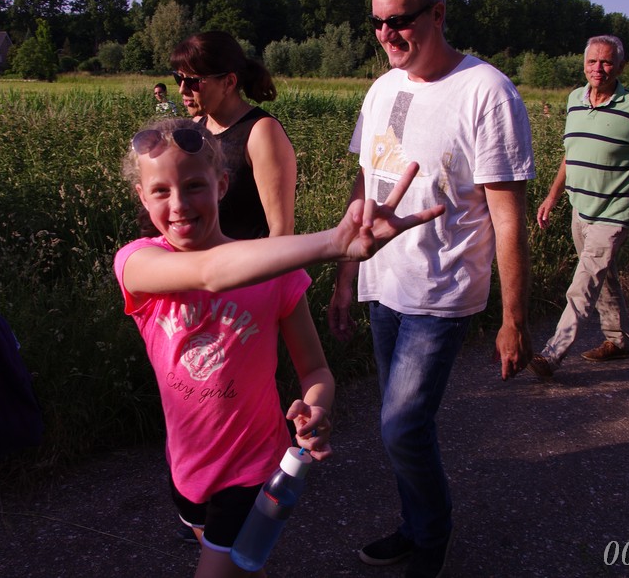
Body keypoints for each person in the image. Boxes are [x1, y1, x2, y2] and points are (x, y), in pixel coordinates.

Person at [114, 118, 443, 578]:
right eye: (161, 191)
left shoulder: (277, 274)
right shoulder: (136, 262)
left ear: (222, 184)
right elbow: (210, 272)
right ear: (142, 197)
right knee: (241, 568)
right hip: (187, 470)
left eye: (194, 186)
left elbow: (316, 372)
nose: (179, 204)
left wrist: (317, 409)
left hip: (252, 472)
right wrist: (330, 243)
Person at [327, 0, 535, 578]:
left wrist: (514, 320)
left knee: (401, 426)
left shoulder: (487, 93)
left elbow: (508, 220)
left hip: (443, 290)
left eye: (399, 21)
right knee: (401, 428)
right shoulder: (382, 89)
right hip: (383, 282)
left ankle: (432, 536)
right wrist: (345, 276)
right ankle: (414, 524)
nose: (385, 35)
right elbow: (368, 183)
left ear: (438, 14)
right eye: (376, 23)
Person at [531, 35, 629, 377]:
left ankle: (552, 354)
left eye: (606, 62)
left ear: (620, 66)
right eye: (592, 61)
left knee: (584, 283)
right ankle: (618, 340)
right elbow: (571, 154)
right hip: (581, 207)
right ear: (584, 64)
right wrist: (552, 196)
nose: (598, 68)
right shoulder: (574, 100)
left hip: (615, 212)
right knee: (603, 275)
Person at [171, 31, 297, 238]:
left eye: (193, 81)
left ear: (228, 82)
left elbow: (281, 229)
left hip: (250, 257)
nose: (182, 90)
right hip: (203, 257)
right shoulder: (196, 127)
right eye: (178, 78)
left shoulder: (261, 132)